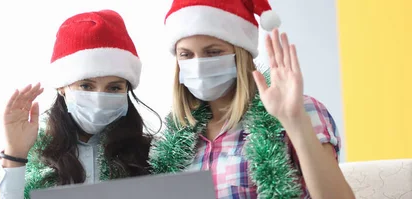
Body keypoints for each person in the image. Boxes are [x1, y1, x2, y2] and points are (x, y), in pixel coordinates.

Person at [148, 0, 355, 198]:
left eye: (213, 52)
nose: (199, 64)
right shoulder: (173, 142)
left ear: (240, 53)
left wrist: (295, 121)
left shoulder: (300, 110)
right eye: (186, 55)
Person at [0, 10, 158, 199]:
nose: (99, 98)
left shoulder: (152, 154)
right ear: (62, 87)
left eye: (114, 88)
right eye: (86, 85)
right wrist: (15, 155)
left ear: (127, 89)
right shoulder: (37, 155)